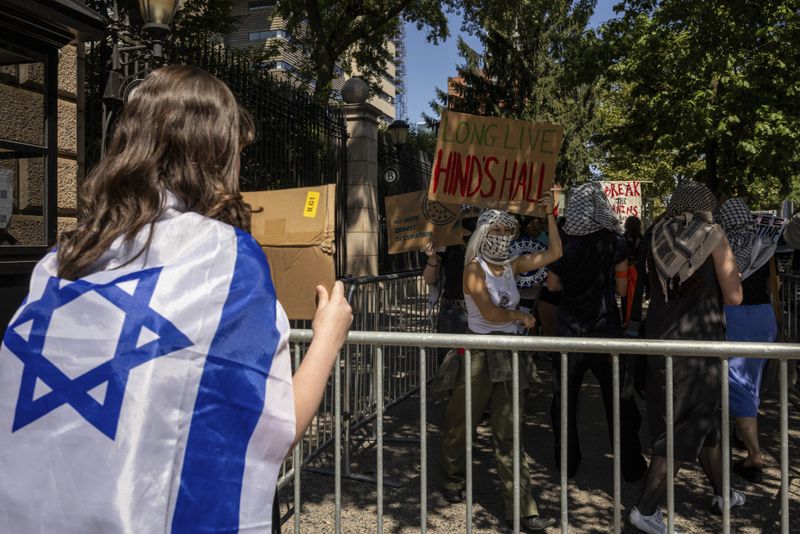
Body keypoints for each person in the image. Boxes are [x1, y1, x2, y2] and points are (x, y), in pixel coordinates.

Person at [0, 65, 352, 534]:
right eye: (236, 153)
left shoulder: (61, 262)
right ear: (214, 155)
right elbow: (267, 431)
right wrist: (327, 337)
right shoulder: (225, 263)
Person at [440, 196, 561, 532]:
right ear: (483, 232)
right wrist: (519, 316)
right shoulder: (473, 269)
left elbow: (554, 254)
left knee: (508, 432)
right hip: (479, 352)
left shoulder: (512, 265)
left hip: (507, 354)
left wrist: (551, 214)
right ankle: (451, 479)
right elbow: (491, 315)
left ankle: (523, 510)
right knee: (461, 419)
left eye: (509, 230)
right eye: (497, 229)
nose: (503, 235)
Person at [630, 181, 744, 534]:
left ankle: (724, 493)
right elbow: (735, 296)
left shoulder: (655, 236)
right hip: (699, 349)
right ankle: (645, 511)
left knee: (704, 425)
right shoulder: (713, 235)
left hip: (661, 344)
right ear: (706, 206)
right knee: (682, 432)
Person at [545, 181, 647, 482]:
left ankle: (567, 463)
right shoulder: (614, 241)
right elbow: (619, 287)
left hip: (568, 331)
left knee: (564, 401)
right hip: (605, 329)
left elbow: (552, 284)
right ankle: (630, 464)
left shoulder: (563, 240)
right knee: (619, 401)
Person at [717, 198, 779, 484]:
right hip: (765, 317)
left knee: (738, 383)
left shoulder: (723, 243)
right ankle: (744, 437)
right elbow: (774, 286)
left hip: (736, 316)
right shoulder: (765, 243)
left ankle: (755, 455)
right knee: (750, 381)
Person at [622, 216, 643, 326]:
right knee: (636, 298)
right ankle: (635, 322)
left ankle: (625, 320)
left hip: (624, 271)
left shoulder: (622, 238)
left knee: (625, 297)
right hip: (637, 272)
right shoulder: (642, 239)